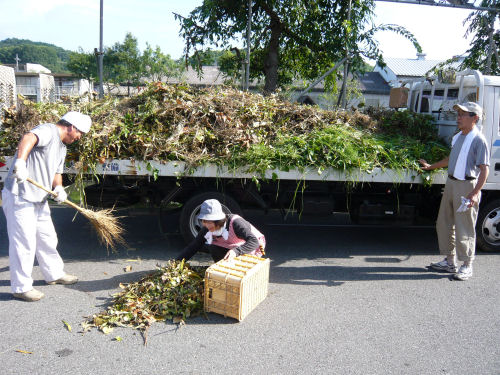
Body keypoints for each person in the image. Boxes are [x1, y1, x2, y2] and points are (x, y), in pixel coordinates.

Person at [2, 111, 92, 301]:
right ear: (71, 127)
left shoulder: (62, 147)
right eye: (80, 134)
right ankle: (21, 287)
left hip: (39, 198)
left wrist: (58, 187)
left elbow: (56, 171)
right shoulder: (49, 131)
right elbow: (29, 137)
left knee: (47, 237)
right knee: (24, 243)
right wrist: (20, 162)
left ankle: (54, 274)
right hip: (20, 195)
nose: (79, 138)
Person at [419, 102, 489, 281]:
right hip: (451, 184)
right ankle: (450, 262)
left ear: (475, 118)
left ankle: (466, 265)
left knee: (464, 227)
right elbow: (451, 159)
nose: (458, 117)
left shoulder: (479, 140)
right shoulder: (458, 137)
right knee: (444, 223)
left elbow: (484, 170)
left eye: (463, 114)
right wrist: (431, 166)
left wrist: (473, 194)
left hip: (467, 186)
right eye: (458, 114)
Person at [176, 199, 266, 263]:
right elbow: (193, 246)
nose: (206, 225)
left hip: (250, 247)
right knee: (212, 246)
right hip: (230, 245)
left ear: (218, 220)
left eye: (209, 222)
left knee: (240, 263)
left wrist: (236, 251)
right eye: (204, 221)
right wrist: (176, 262)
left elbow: (254, 242)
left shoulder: (236, 223)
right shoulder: (207, 229)